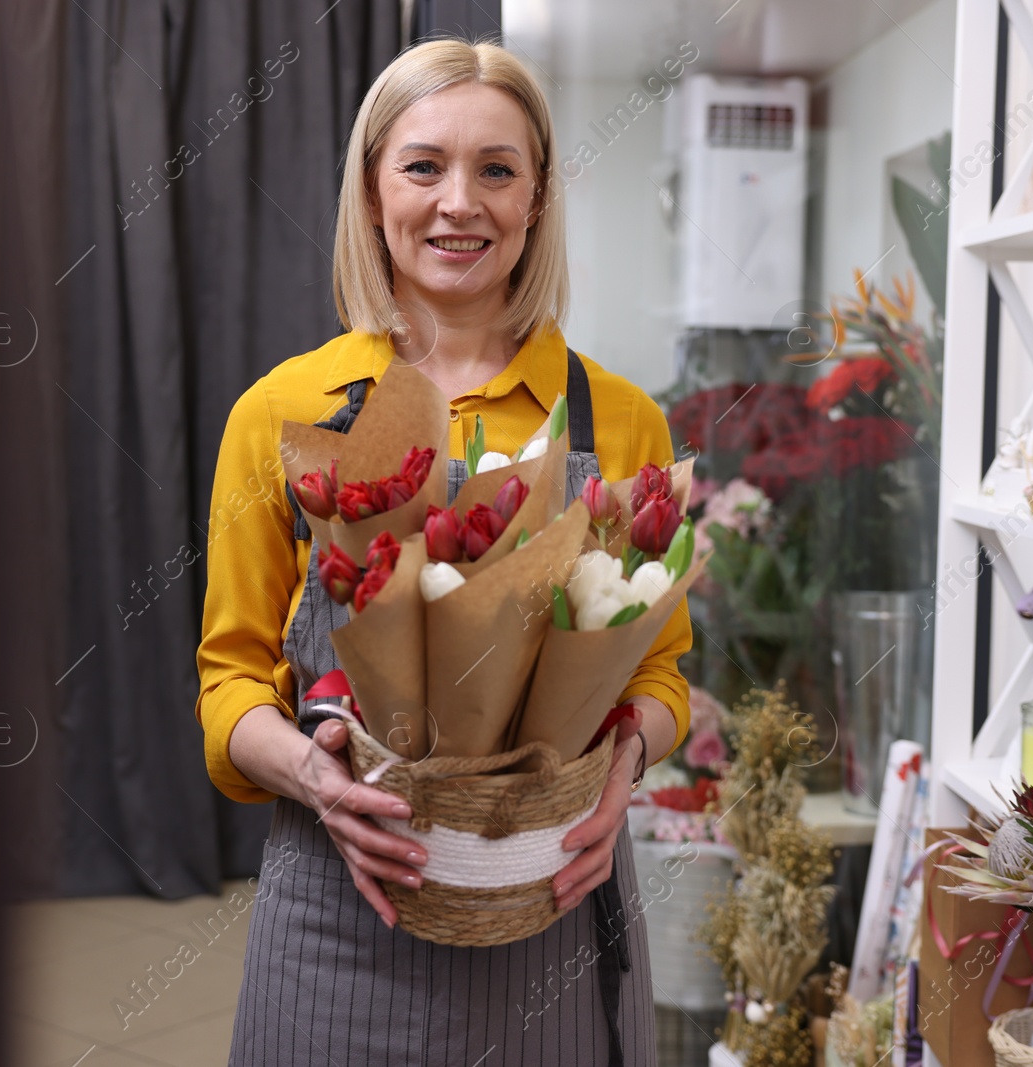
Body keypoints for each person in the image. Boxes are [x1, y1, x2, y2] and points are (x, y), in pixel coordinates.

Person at [195, 37, 692, 1067]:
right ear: (373, 193)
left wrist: (626, 765)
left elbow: (659, 671)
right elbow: (230, 682)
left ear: (537, 199)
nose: (459, 201)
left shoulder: (623, 420)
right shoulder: (281, 416)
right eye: (423, 166)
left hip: (551, 894)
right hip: (343, 898)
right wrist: (319, 780)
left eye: (496, 170)